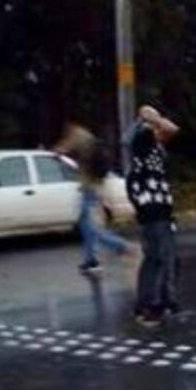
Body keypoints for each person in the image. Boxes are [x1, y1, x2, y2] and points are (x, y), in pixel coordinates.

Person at [127, 105, 180, 328]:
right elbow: (167, 127)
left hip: (163, 206)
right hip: (150, 207)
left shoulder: (155, 146)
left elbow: (173, 130)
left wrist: (155, 117)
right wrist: (150, 117)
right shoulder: (140, 139)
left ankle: (166, 299)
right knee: (155, 257)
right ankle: (147, 306)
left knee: (168, 257)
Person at [54, 123, 131, 274]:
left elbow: (63, 149)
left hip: (90, 187)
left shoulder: (78, 134)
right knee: (85, 224)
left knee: (90, 225)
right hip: (93, 185)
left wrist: (57, 152)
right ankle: (91, 259)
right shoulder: (88, 138)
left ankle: (121, 246)